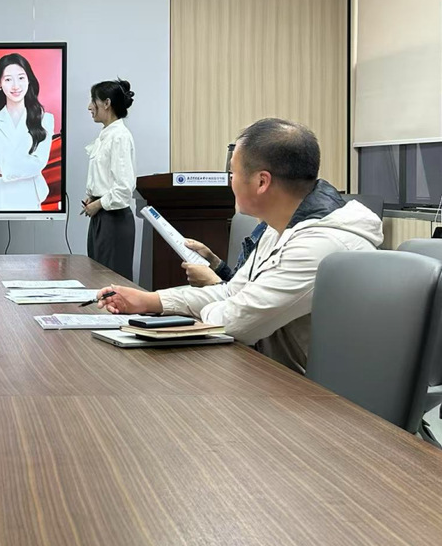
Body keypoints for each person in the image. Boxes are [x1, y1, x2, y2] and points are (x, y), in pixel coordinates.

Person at [97, 118, 383, 373]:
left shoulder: (320, 246)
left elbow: (235, 322)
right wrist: (152, 301)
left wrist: (216, 307)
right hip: (273, 374)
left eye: (232, 173)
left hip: (313, 398)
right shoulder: (280, 226)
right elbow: (232, 292)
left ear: (261, 181)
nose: (229, 181)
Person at [0, 53, 55, 210]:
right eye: (8, 79)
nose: (16, 86)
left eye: (21, 78)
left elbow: (37, 163)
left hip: (26, 196)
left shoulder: (45, 119)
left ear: (29, 80)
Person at [81, 79, 137, 279]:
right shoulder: (106, 135)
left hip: (113, 219)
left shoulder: (120, 136)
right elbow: (105, 178)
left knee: (111, 282)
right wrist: (92, 197)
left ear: (106, 103)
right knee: (97, 278)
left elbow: (124, 189)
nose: (89, 107)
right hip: (101, 217)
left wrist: (97, 204)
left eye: (93, 101)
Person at [182, 223, 267, 287]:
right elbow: (236, 286)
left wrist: (213, 281)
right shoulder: (262, 229)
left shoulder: (272, 235)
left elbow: (250, 301)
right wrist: (213, 262)